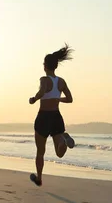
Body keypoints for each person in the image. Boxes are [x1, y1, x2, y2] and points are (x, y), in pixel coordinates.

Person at [28, 44, 76, 187]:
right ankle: (64, 140)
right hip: (56, 117)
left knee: (40, 152)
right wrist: (58, 99)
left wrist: (34, 99)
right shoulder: (61, 81)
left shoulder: (44, 79)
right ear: (55, 66)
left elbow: (42, 92)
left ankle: (39, 178)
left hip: (43, 117)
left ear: (45, 66)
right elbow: (70, 99)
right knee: (59, 153)